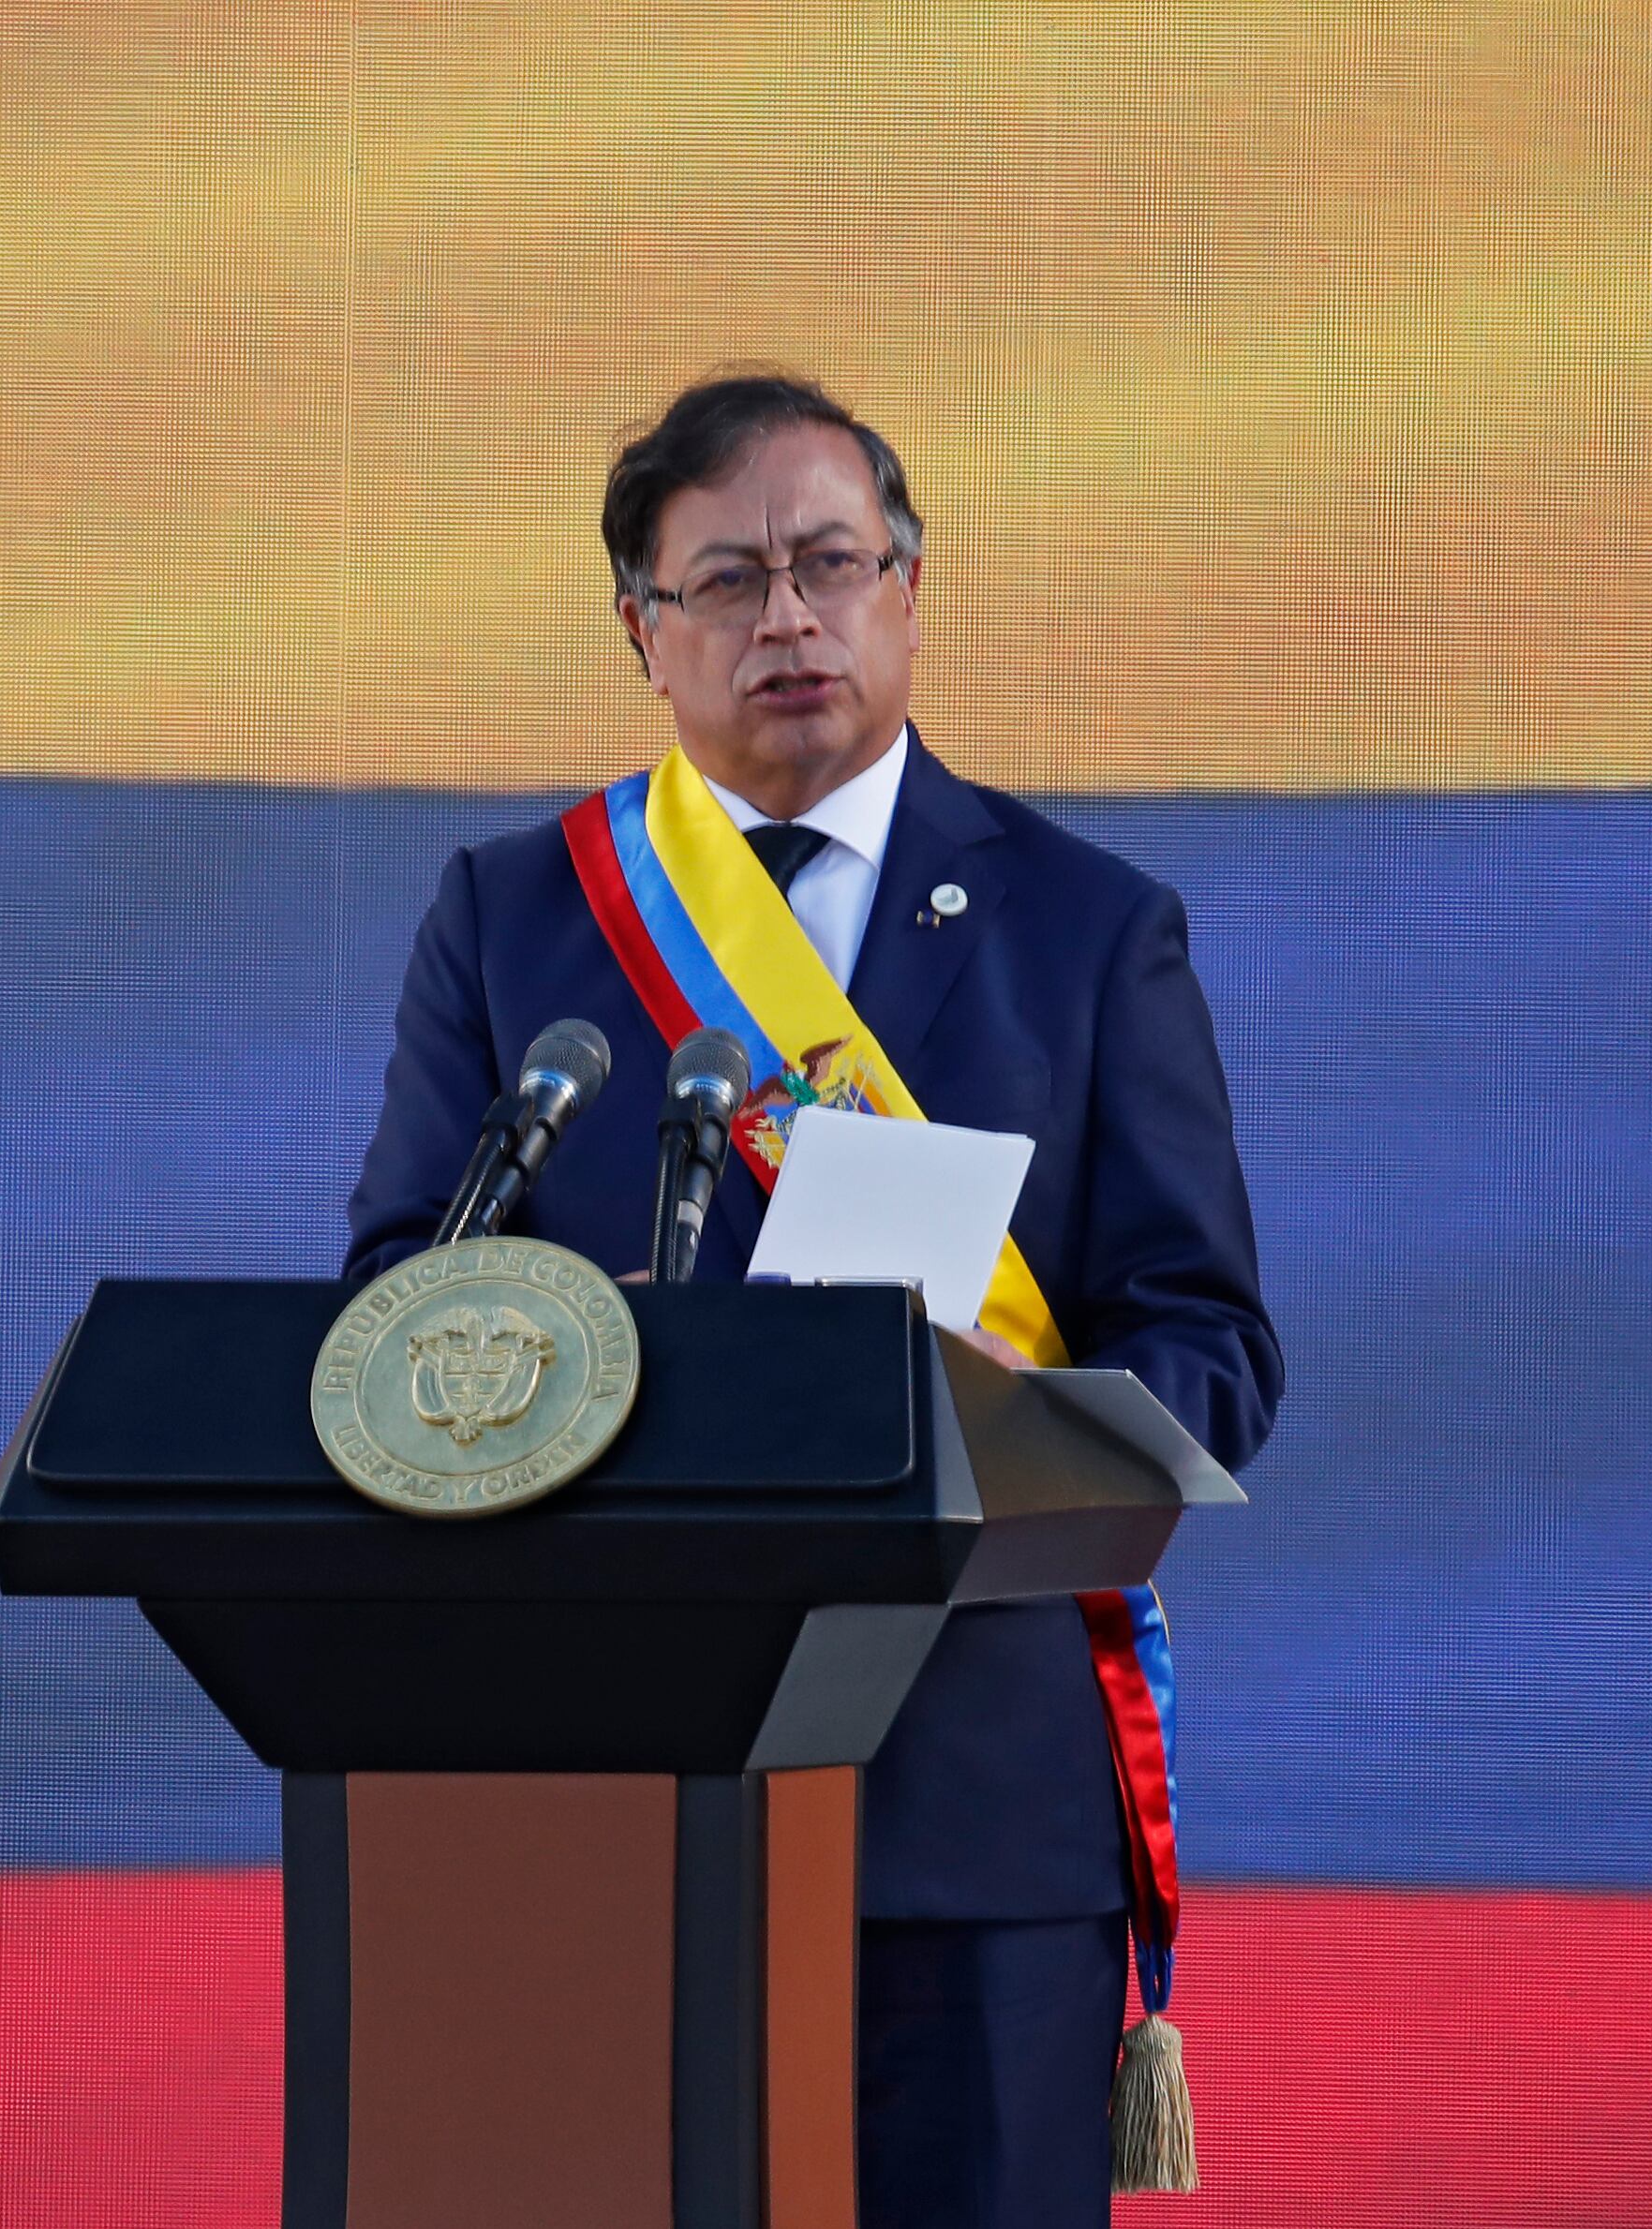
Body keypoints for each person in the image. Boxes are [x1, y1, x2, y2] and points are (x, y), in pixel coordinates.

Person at [345, 370, 1280, 2229]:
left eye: (832, 563)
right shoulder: (522, 914)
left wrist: (1033, 1393)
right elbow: (393, 1293)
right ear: (643, 631)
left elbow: (1213, 1348)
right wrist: (570, 1354)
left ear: (908, 589)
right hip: (603, 1785)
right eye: (729, 580)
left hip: (978, 1805)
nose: (789, 617)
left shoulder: (1086, 928)